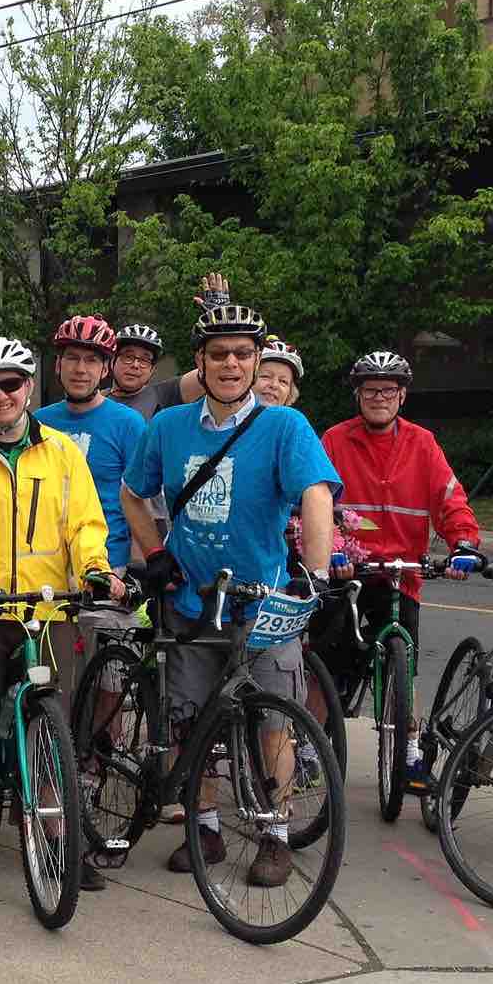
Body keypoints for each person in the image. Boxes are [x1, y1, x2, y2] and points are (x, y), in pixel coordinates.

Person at [120, 303, 340, 887]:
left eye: (244, 353)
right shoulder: (167, 427)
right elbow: (131, 491)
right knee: (193, 722)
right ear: (200, 361)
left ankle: (274, 831)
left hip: (263, 606)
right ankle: (207, 826)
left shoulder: (283, 426)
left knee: (273, 721)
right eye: (219, 353)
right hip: (191, 602)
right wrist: (156, 552)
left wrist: (315, 577)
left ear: (257, 361)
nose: (232, 363)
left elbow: (317, 495)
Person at [0, 336, 119, 887]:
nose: (1, 395)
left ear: (29, 387)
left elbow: (84, 523)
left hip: (47, 610)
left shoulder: (62, 452)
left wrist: (95, 570)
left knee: (54, 723)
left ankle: (57, 836)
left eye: (10, 384)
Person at [315, 350, 481, 787]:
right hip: (349, 571)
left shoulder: (422, 443)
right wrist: (330, 549)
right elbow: (315, 503)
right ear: (358, 395)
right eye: (370, 390)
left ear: (402, 396)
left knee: (402, 663)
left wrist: (463, 543)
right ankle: (312, 744)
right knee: (331, 661)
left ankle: (408, 750)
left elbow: (449, 499)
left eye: (388, 390)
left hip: (401, 573)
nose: (379, 397)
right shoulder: (334, 439)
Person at [35, 315, 146, 571]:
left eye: (92, 360)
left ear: (106, 369)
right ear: (58, 364)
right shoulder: (39, 422)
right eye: (72, 358)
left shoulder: (129, 423)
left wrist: (137, 568)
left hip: (108, 564)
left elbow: (141, 500)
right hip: (46, 564)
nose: (80, 370)